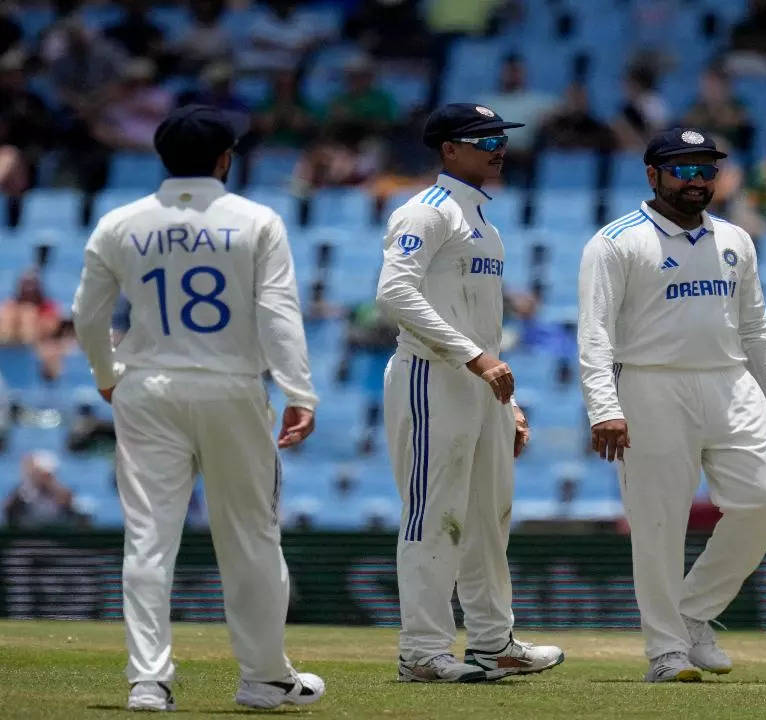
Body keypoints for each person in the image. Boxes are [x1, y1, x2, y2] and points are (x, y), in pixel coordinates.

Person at [70, 104, 325, 711]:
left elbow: (87, 314)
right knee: (252, 537)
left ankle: (149, 682)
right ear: (225, 159)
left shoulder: (121, 222)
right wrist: (300, 391)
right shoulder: (256, 220)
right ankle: (264, 680)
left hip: (147, 388)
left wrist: (106, 375)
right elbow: (279, 313)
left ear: (162, 158)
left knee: (149, 539)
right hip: (233, 387)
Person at [577, 128, 766, 682]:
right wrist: (604, 407)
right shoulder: (615, 241)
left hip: (729, 382)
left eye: (707, 170)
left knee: (764, 502)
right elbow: (594, 335)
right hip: (650, 387)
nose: (699, 181)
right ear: (653, 175)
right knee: (659, 524)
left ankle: (694, 614)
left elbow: (756, 325)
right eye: (685, 169)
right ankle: (666, 652)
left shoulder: (735, 238)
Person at [375, 103, 563, 683]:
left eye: (500, 137)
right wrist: (477, 358)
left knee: (488, 517)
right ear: (449, 149)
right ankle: (422, 652)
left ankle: (491, 643)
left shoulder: (482, 220)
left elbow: (478, 315)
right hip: (433, 377)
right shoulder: (426, 212)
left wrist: (507, 400)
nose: (497, 147)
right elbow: (394, 293)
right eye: (483, 138)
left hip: (480, 385)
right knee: (434, 516)